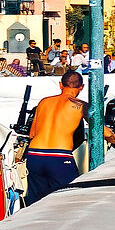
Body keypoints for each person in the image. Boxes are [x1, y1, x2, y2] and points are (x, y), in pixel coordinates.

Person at [24, 71, 88, 203]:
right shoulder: (81, 105)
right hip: (59, 157)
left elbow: (32, 133)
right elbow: (100, 129)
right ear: (81, 87)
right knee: (67, 200)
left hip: (35, 155)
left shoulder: (43, 102)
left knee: (36, 202)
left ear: (60, 85)